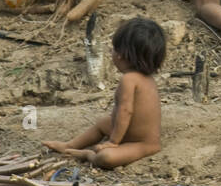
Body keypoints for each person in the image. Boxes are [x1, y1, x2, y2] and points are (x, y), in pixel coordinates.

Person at [42, 17, 164, 169]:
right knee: (103, 123)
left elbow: (125, 112)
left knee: (106, 158)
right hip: (131, 133)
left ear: (121, 55)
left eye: (114, 49)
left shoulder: (129, 80)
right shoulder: (147, 79)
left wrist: (113, 142)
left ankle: (87, 154)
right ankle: (70, 145)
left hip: (143, 143)